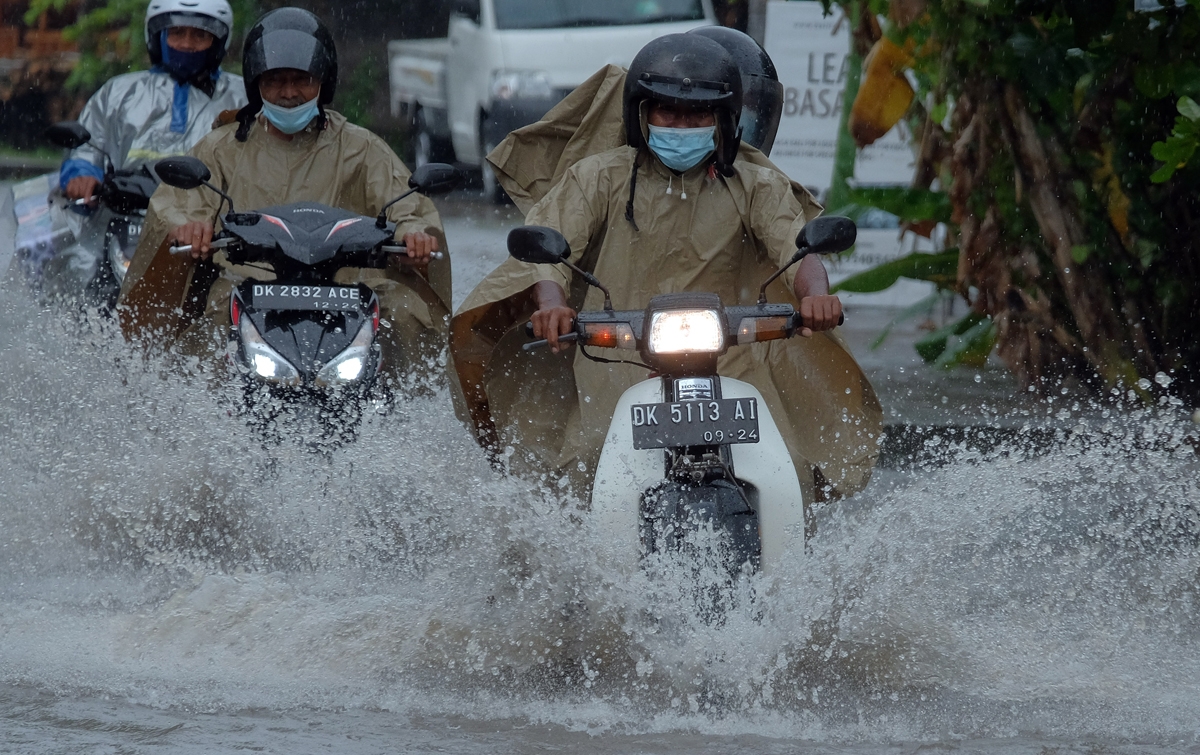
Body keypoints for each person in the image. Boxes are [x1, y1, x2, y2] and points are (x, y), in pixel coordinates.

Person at [450, 33, 882, 508]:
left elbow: (796, 246)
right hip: (617, 355)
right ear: (641, 116)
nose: (682, 125)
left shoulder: (757, 182)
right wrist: (553, 305)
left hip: (732, 356)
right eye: (668, 112)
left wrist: (815, 296)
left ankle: (792, 578)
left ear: (724, 120)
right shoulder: (599, 176)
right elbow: (554, 243)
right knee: (584, 469)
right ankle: (574, 577)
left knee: (789, 469)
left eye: (698, 115)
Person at [117, 7, 450, 385]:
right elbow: (179, 202)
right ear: (255, 81)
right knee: (206, 322)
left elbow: (407, 201)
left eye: (301, 79)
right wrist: (187, 227)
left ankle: (403, 414)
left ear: (323, 80)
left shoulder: (361, 147)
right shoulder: (223, 146)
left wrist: (414, 233)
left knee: (408, 311)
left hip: (347, 288)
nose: (289, 92)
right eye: (276, 80)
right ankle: (199, 416)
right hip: (246, 288)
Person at [60, 0, 247, 204]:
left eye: (200, 35)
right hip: (124, 217)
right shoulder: (119, 93)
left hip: (210, 222)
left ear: (218, 41)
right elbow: (86, 151)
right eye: (176, 32)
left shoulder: (242, 96)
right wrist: (82, 176)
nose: (186, 44)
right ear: (159, 37)